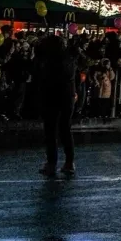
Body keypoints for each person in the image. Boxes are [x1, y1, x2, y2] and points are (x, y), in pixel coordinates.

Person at [34, 34, 79, 177]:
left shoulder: (49, 60)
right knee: (65, 128)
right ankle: (69, 162)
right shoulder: (70, 58)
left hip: (51, 96)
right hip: (68, 96)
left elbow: (38, 69)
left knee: (51, 130)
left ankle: (52, 163)